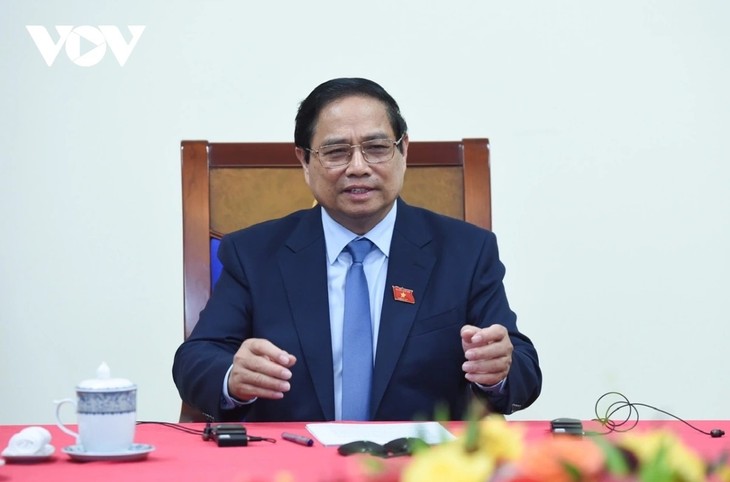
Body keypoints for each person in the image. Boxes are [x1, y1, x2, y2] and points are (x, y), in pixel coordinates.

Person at [172, 78, 541, 422]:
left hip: (420, 459)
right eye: (336, 152)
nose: (359, 167)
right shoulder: (253, 254)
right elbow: (196, 359)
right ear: (304, 161)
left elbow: (523, 368)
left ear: (403, 150)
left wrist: (498, 371)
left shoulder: (466, 251)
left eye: (377, 148)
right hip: (294, 457)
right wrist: (232, 377)